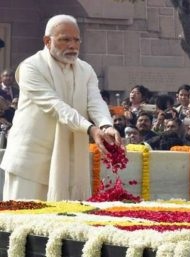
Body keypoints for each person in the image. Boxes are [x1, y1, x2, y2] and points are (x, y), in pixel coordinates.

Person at [0, 14, 121, 201]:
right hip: (31, 163)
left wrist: (106, 125)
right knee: (23, 224)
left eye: (76, 40)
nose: (72, 45)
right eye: (65, 39)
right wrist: (90, 129)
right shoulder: (31, 67)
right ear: (47, 41)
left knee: (66, 225)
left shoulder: (85, 69)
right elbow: (55, 106)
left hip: (70, 163)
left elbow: (95, 101)